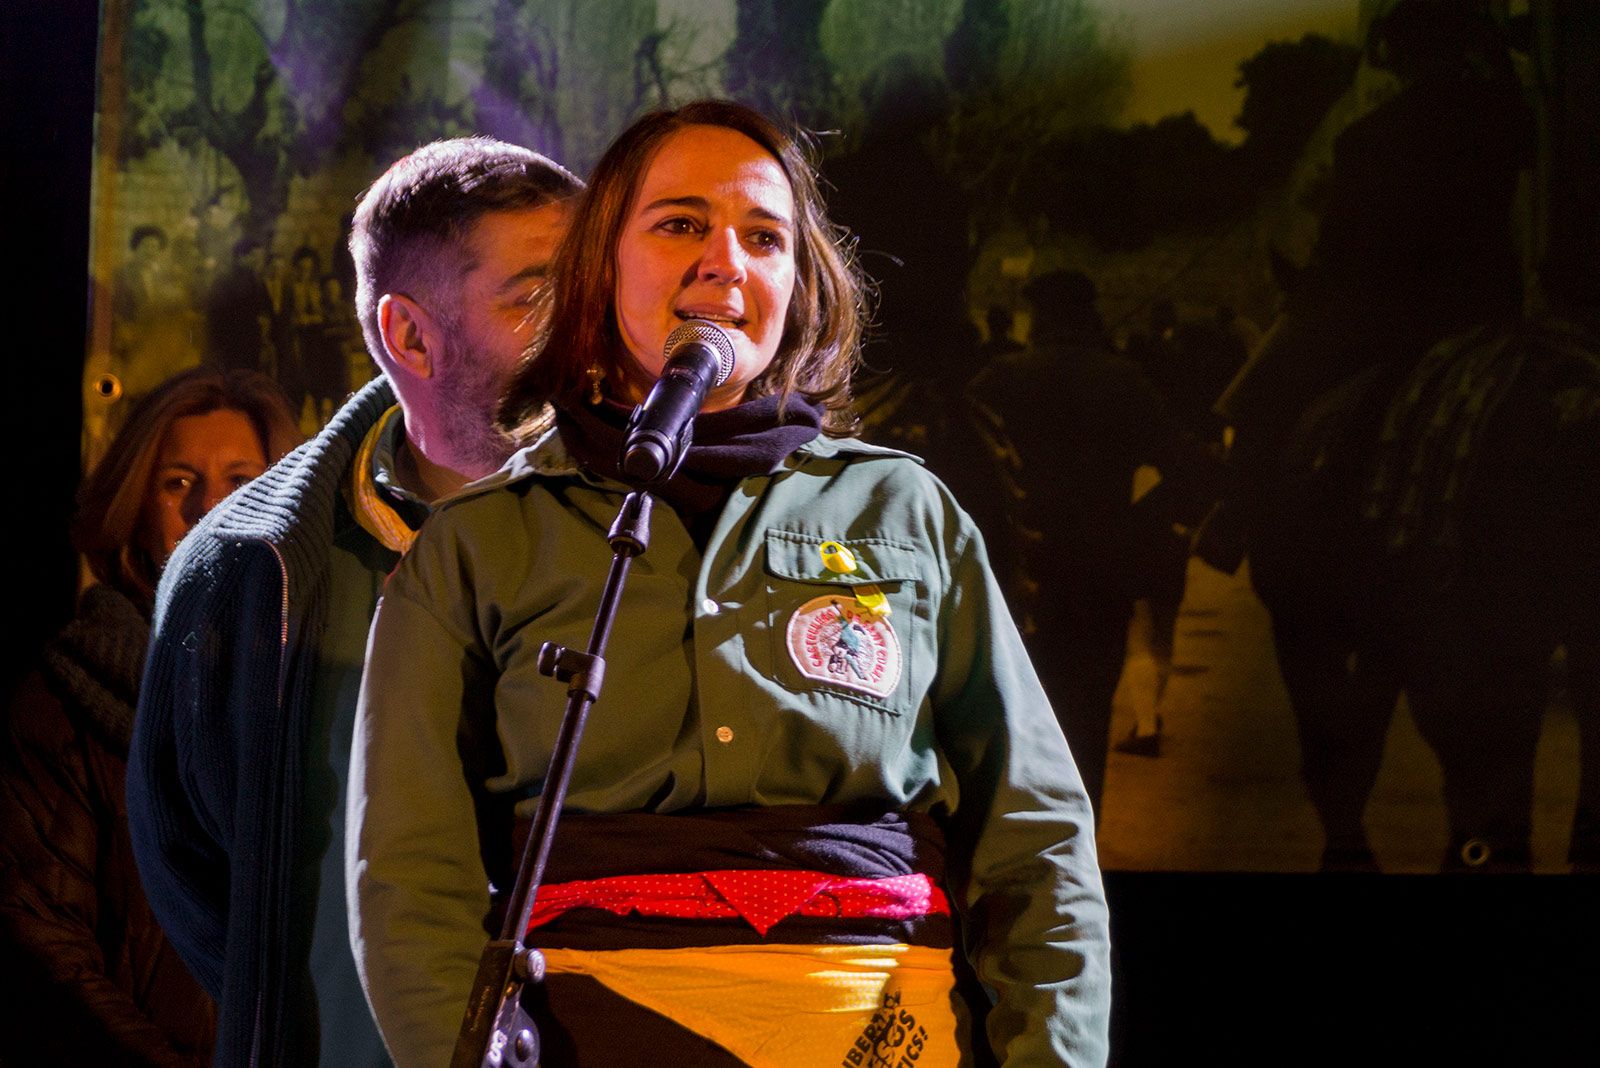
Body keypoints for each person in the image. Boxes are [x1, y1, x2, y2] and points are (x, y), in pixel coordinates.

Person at [348, 101, 1110, 1068]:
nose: (725, 260)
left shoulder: (906, 512)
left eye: (764, 236)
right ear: (598, 267)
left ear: (797, 281)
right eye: (678, 224)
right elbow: (410, 882)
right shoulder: (477, 544)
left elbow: (1033, 837)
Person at [127, 138, 582, 1067]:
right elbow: (195, 869)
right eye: (536, 298)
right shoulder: (248, 569)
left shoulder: (651, 528)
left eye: (591, 290)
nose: (584, 333)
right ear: (411, 335)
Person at [1, 367, 298, 1066]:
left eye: (240, 481)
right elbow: (44, 943)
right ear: (137, 503)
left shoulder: (326, 685)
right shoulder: (69, 696)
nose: (208, 510)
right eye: (178, 483)